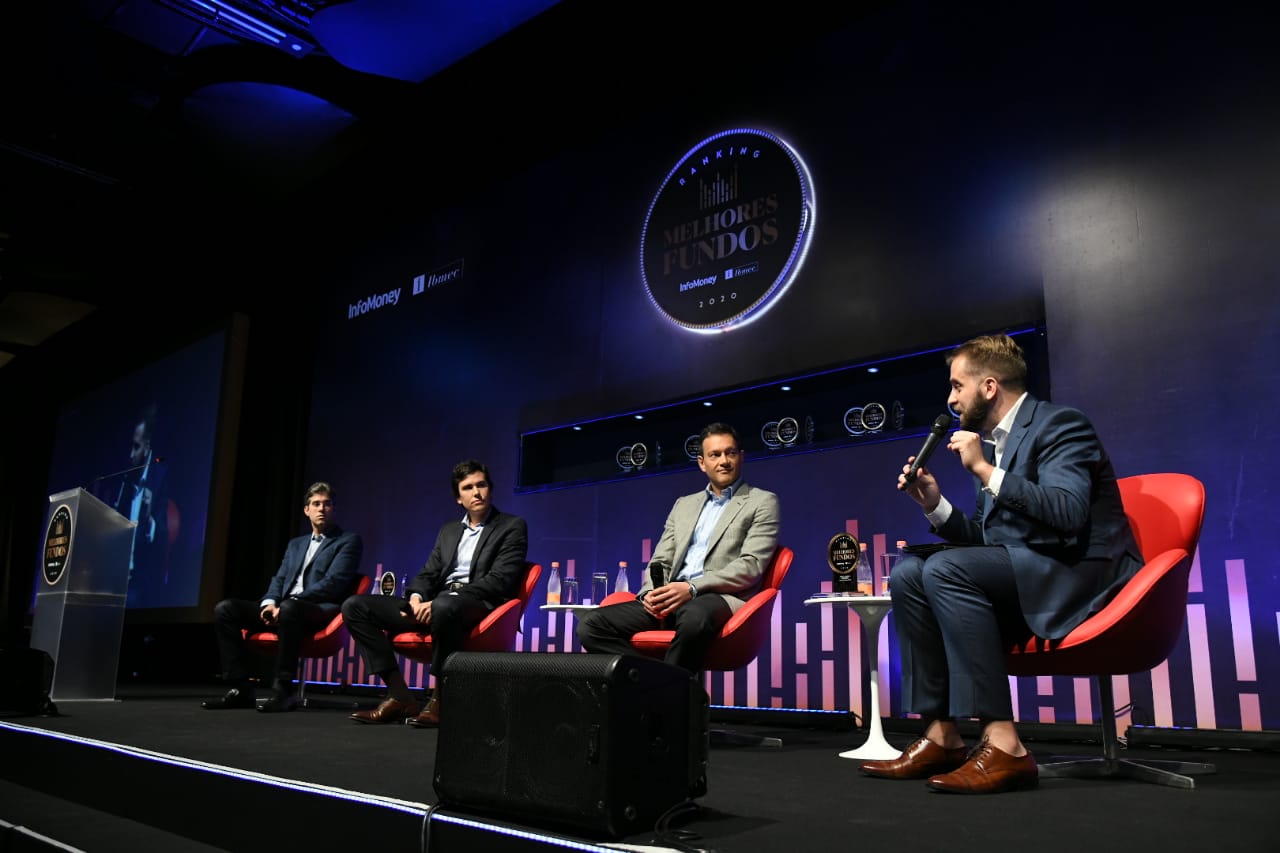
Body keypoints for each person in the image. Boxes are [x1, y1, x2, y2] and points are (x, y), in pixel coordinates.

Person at [860, 333, 1142, 794]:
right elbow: (988, 541)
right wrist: (935, 505)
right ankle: (941, 733)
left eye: (957, 386)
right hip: (1024, 568)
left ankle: (1004, 742)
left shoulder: (1061, 425)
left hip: (1077, 576)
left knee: (946, 569)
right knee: (911, 571)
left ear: (989, 387)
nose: (951, 399)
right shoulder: (992, 445)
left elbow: (1068, 514)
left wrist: (986, 472)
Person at [576, 422, 780, 673]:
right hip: (672, 597)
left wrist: (692, 588)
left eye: (731, 453)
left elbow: (750, 566)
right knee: (590, 626)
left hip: (720, 598)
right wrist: (651, 594)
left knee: (694, 616)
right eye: (715, 455)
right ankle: (657, 681)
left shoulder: (762, 501)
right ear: (702, 463)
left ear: (741, 457)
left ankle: (665, 691)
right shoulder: (684, 505)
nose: (724, 461)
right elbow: (661, 559)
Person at [343, 460, 528, 727]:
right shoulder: (449, 530)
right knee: (355, 606)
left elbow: (499, 580)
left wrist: (444, 599)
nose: (476, 492)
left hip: (477, 604)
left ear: (490, 489)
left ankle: (442, 699)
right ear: (458, 498)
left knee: (444, 605)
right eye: (468, 488)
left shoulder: (511, 526)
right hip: (437, 604)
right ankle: (399, 696)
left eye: (481, 485)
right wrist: (417, 596)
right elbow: (429, 572)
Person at [202, 482, 363, 713]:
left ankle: (283, 690)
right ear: (306, 510)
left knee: (290, 608)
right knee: (225, 609)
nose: (321, 509)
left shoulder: (348, 541)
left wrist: (291, 603)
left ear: (334, 509)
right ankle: (241, 688)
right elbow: (279, 579)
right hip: (284, 608)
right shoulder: (296, 544)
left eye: (327, 504)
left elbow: (334, 584)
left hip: (317, 610)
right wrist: (269, 603)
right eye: (316, 504)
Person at [112, 403, 169, 585]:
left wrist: (149, 519)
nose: (130, 454)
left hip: (144, 579)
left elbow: (165, 537)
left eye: (136, 447)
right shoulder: (123, 475)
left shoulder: (160, 477)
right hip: (114, 575)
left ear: (147, 446)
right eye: (130, 446)